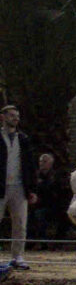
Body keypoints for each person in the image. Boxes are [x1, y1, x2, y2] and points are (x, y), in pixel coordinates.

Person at [0, 104, 25, 272]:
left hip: (19, 186)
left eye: (17, 115)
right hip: (1, 185)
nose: (15, 118)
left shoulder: (23, 138)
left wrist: (31, 189)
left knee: (20, 222)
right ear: (3, 117)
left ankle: (18, 256)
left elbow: (29, 165)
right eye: (11, 115)